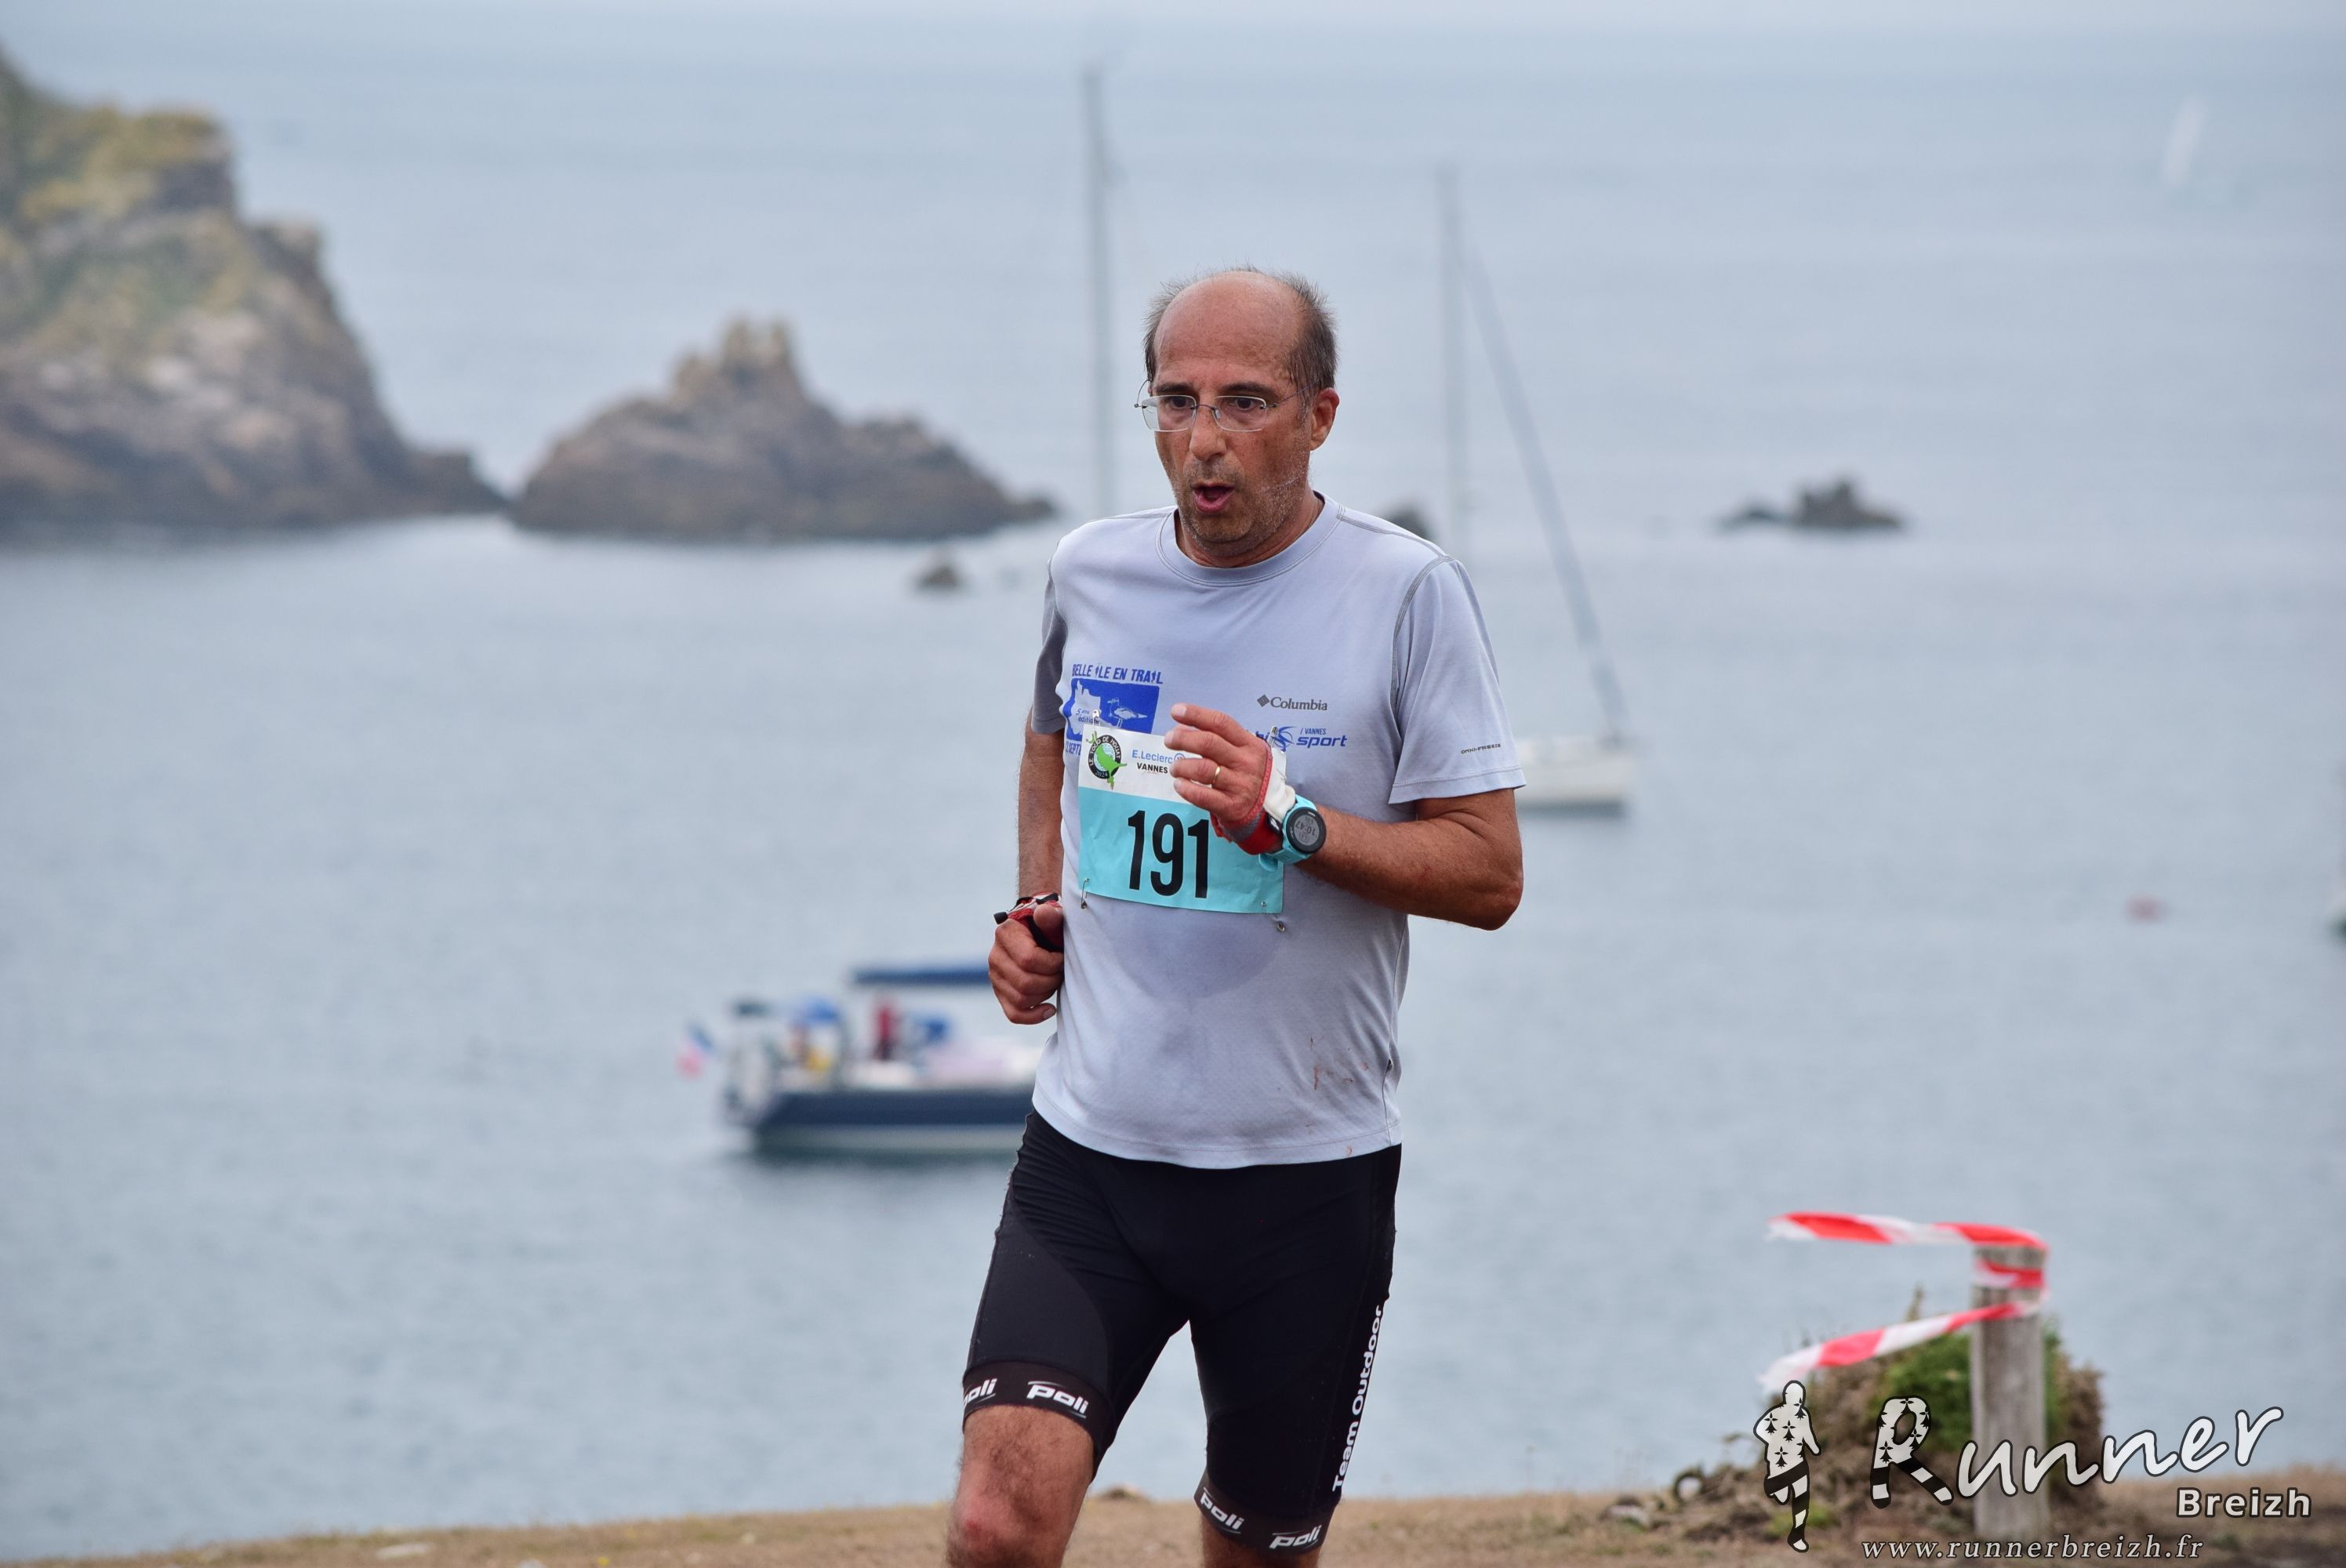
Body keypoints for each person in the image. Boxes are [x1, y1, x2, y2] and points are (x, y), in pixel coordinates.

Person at [950, 268, 1525, 1568]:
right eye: (1177, 401)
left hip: (1305, 1178)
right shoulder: (1088, 571)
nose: (1204, 439)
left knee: (1256, 1555)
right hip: (1092, 1157)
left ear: (1320, 416)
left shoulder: (1409, 594)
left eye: (1245, 403)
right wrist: (1036, 907)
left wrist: (1293, 824)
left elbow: (1490, 874)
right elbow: (1048, 741)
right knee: (995, 1523)